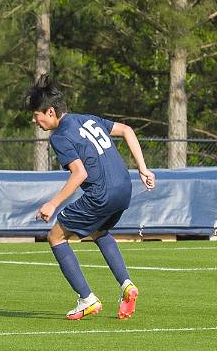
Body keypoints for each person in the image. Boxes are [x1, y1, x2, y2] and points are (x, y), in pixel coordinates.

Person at [28, 74, 155, 320]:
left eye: (37, 115)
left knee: (55, 236)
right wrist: (142, 168)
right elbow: (127, 130)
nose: (36, 120)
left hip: (101, 194)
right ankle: (127, 285)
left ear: (51, 111)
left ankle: (87, 299)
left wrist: (52, 203)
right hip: (124, 188)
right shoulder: (86, 119)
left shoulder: (60, 136)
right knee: (99, 231)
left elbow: (79, 173)